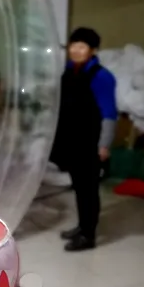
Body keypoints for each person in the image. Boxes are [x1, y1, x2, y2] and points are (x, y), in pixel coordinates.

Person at [50, 27, 117, 251]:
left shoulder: (101, 76)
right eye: (73, 45)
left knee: (88, 190)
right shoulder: (68, 72)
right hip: (72, 141)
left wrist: (104, 145)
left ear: (93, 50)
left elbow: (109, 113)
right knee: (79, 187)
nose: (76, 50)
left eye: (82, 46)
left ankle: (88, 235)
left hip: (90, 142)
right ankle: (82, 226)